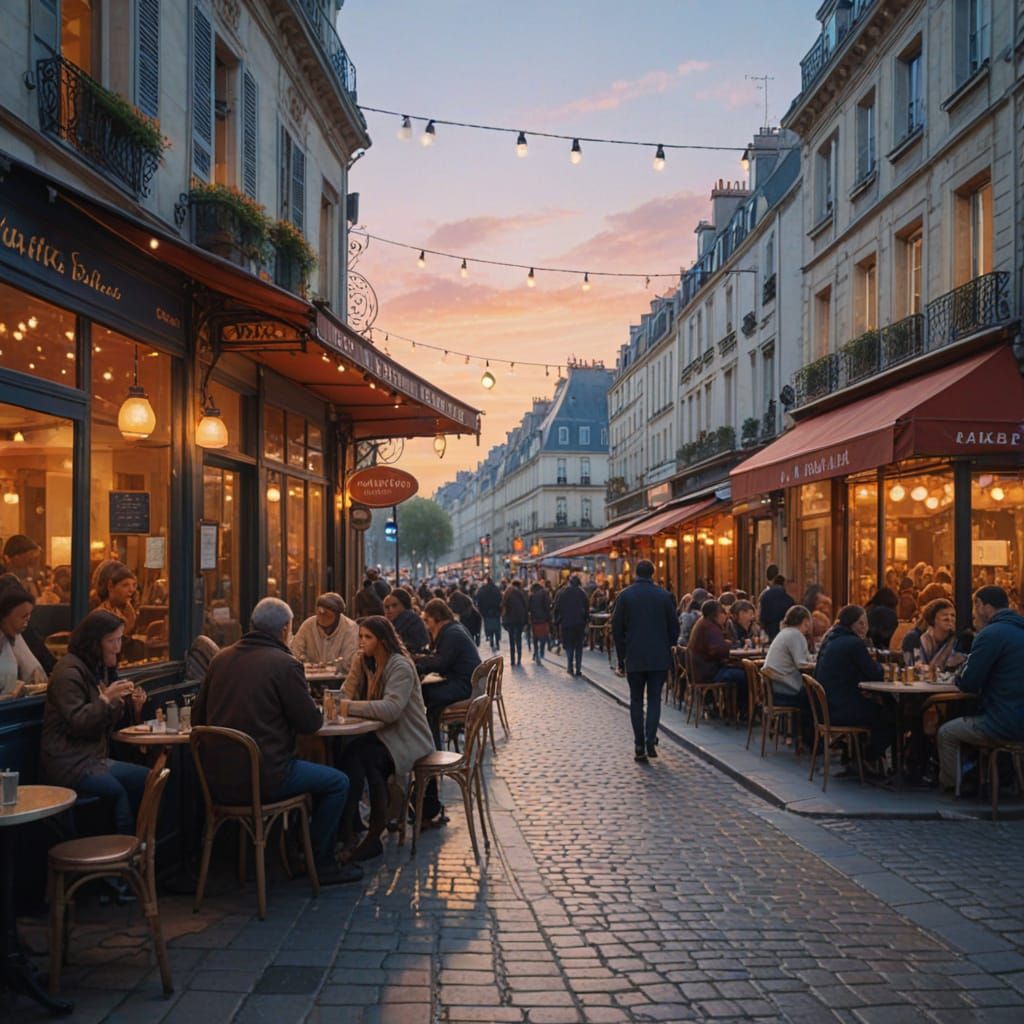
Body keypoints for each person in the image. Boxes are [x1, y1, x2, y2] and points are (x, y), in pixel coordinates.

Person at [192, 597, 361, 886]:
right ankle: (320, 862)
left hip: (215, 780)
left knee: (315, 776)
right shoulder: (285, 664)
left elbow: (198, 716)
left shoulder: (220, 659)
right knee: (337, 782)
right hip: (269, 776)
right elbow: (310, 723)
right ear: (285, 630)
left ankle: (294, 849)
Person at [40, 610, 148, 834]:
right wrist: (107, 698)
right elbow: (79, 722)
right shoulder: (68, 674)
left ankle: (144, 845)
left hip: (94, 758)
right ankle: (122, 855)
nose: (118, 647)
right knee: (117, 791)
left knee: (148, 779)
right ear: (93, 642)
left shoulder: (99, 668)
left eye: (120, 639)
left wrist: (129, 704)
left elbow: (108, 721)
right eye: (111, 641)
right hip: (69, 763)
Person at [337, 616, 434, 861]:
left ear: (382, 640)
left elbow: (392, 710)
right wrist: (337, 700)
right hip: (381, 735)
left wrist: (348, 707)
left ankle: (370, 833)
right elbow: (346, 691)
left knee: (366, 758)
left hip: (407, 739)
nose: (362, 642)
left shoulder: (399, 665)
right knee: (347, 753)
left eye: (368, 637)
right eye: (360, 636)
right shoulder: (363, 660)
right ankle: (353, 827)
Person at [937, 586, 1024, 791]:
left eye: (975, 606)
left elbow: (969, 682)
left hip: (1002, 723)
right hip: (1018, 717)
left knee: (946, 733)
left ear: (983, 606)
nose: (974, 613)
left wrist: (958, 670)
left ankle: (952, 787)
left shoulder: (990, 634)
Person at [414, 599, 480, 821]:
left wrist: (418, 661)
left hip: (463, 686)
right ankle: (429, 740)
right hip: (464, 682)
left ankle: (430, 744)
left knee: (427, 697)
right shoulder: (452, 630)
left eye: (427, 620)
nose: (425, 625)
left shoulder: (451, 633)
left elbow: (441, 663)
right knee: (428, 695)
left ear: (436, 618)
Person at [612, 559, 677, 762]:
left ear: (635, 573)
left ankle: (639, 744)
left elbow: (616, 629)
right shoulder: (664, 596)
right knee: (655, 699)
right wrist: (667, 645)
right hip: (659, 657)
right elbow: (674, 628)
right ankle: (650, 739)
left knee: (636, 701)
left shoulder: (625, 596)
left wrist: (622, 657)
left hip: (634, 656)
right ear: (653, 574)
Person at [814, 605, 894, 766]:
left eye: (866, 623)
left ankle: (858, 757)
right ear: (850, 624)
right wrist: (883, 667)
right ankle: (869, 757)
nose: (865, 628)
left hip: (826, 708)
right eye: (860, 623)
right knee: (892, 716)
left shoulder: (832, 639)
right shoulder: (854, 644)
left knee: (881, 708)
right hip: (842, 710)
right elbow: (875, 673)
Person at [689, 600, 748, 711]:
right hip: (709, 673)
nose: (725, 616)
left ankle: (732, 709)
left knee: (739, 671)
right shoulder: (710, 628)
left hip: (701, 670)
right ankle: (742, 711)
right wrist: (728, 644)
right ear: (716, 614)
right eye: (722, 613)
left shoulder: (703, 623)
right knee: (745, 675)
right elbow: (717, 650)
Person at [762, 605, 813, 715]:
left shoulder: (785, 633)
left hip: (774, 688)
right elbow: (801, 664)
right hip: (785, 689)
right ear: (805, 621)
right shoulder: (796, 635)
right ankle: (809, 730)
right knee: (814, 698)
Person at [290, 592, 358, 671]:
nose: (323, 618)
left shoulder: (350, 628)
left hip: (339, 678)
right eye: (319, 614)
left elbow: (349, 660)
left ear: (337, 614)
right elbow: (295, 651)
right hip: (311, 676)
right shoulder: (308, 625)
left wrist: (330, 667)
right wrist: (306, 663)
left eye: (328, 615)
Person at [0, 585, 47, 700]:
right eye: (23, 616)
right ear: (6, 615)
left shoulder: (10, 641)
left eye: (29, 617)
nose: (27, 622)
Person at [901, 599, 966, 671]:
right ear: (933, 619)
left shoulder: (957, 640)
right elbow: (912, 667)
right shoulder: (914, 638)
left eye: (953, 615)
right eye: (944, 615)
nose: (949, 618)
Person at [555, 575, 589, 677]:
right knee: (578, 647)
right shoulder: (582, 593)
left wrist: (558, 621)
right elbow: (587, 609)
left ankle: (570, 666)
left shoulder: (563, 592)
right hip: (579, 624)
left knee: (569, 646)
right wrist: (586, 620)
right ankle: (578, 668)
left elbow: (557, 608)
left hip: (567, 624)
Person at [96, 563, 138, 636]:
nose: (132, 590)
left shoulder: (126, 610)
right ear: (110, 586)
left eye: (133, 585)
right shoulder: (101, 614)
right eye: (125, 585)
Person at [383, 588, 430, 654]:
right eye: (387, 607)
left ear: (404, 605)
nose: (390, 610)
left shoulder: (410, 619)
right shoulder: (391, 622)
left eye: (394, 605)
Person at [501, 579, 529, 666]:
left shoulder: (507, 593)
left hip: (509, 621)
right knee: (518, 639)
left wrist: (504, 621)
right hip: (519, 620)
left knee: (511, 641)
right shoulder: (522, 593)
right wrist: (525, 621)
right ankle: (519, 660)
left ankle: (513, 660)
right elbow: (525, 608)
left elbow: (503, 606)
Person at [758, 574, 794, 640]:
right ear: (784, 584)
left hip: (768, 627)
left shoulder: (765, 595)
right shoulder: (786, 595)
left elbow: (761, 614)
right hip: (781, 628)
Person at [475, 576, 502, 653]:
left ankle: (490, 640)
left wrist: (481, 610)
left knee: (489, 626)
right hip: (496, 611)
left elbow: (478, 599)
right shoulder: (496, 589)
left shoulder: (482, 589)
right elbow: (501, 599)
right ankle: (497, 641)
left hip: (486, 612)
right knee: (496, 627)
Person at [527, 582, 552, 662]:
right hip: (543, 620)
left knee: (535, 637)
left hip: (534, 620)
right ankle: (541, 651)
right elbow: (547, 607)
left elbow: (528, 608)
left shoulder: (531, 596)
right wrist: (548, 617)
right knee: (543, 636)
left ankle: (536, 652)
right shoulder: (544, 594)